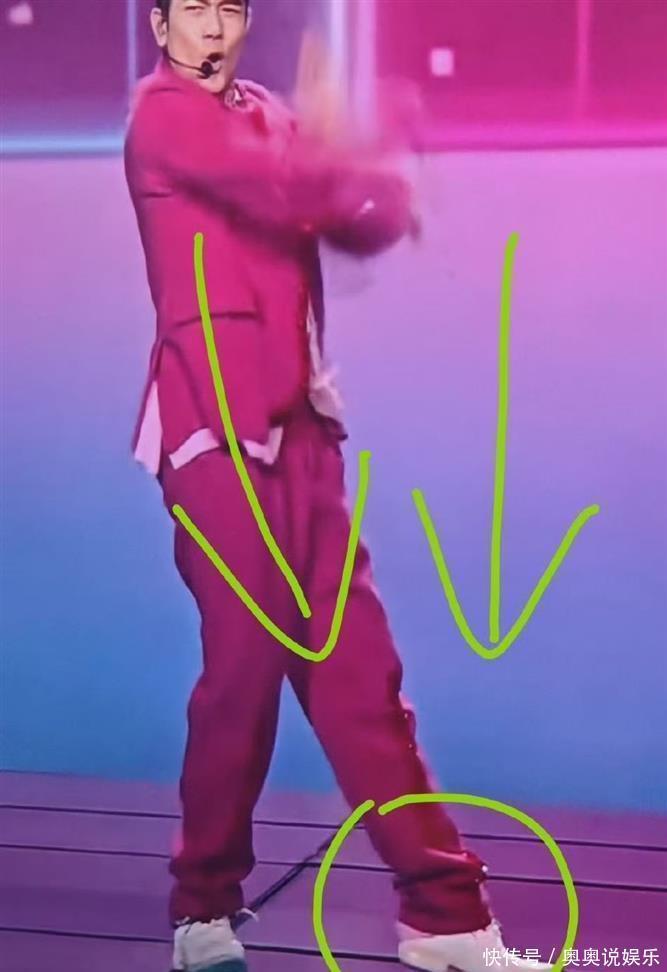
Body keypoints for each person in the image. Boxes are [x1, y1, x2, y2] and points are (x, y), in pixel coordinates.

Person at [124, 2, 553, 971]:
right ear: (158, 26)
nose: (212, 28)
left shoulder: (269, 118)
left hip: (305, 435)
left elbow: (362, 220)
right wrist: (350, 147)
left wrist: (371, 168)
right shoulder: (161, 116)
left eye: (228, 9)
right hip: (214, 437)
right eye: (192, 10)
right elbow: (290, 191)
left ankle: (447, 922)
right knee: (243, 674)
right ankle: (202, 910)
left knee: (362, 677)